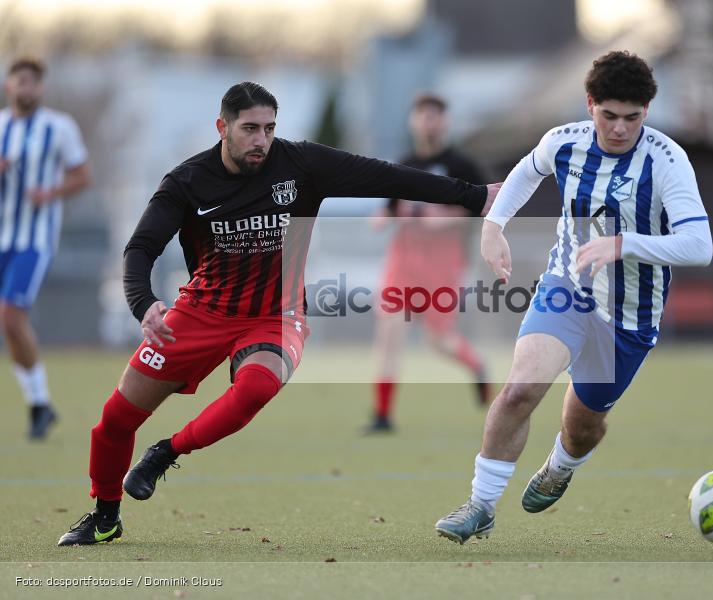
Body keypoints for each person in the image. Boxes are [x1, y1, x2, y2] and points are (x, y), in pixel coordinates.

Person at [57, 81, 500, 546]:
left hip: (276, 315)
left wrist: (474, 196)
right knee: (114, 422)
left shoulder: (302, 164)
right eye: (250, 129)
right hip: (199, 313)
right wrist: (144, 305)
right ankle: (105, 516)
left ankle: (165, 453)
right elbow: (141, 247)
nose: (261, 140)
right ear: (222, 127)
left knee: (256, 387)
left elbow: (388, 176)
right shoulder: (187, 181)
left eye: (269, 128)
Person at [434, 51, 713, 544]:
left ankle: (561, 465)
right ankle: (480, 505)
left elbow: (699, 245)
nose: (620, 128)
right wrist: (493, 227)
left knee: (583, 425)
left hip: (630, 315)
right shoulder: (563, 142)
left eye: (632, 117)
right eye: (609, 115)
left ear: (646, 111)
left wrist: (624, 244)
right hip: (568, 288)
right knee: (521, 388)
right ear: (590, 105)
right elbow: (525, 173)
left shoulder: (667, 161)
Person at [365, 93, 491, 434]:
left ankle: (478, 367)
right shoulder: (402, 165)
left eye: (436, 115)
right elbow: (391, 209)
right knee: (388, 331)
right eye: (423, 115)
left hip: (442, 264)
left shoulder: (462, 166)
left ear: (445, 121)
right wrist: (382, 217)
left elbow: (483, 206)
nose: (429, 122)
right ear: (413, 121)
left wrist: (446, 217)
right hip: (402, 261)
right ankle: (382, 415)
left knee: (440, 340)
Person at [0, 57, 91, 440]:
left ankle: (39, 403)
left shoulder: (59, 127)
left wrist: (50, 192)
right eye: (20, 81)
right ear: (9, 85)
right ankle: (40, 405)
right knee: (11, 324)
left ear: (41, 88)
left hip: (34, 241)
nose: (26, 88)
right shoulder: (1, 126)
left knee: (10, 316)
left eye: (32, 82)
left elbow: (82, 176)